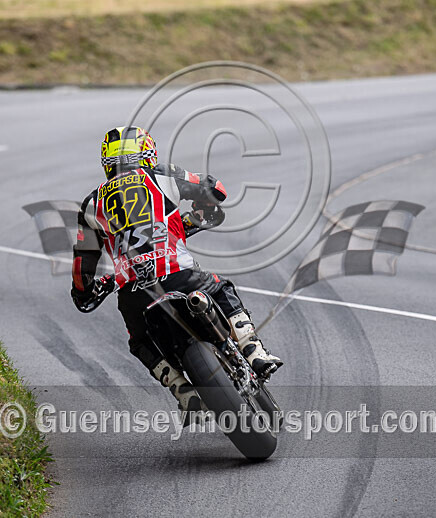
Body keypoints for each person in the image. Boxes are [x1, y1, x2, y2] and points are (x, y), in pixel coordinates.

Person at [70, 126, 282, 414]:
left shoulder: (92, 204)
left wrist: (84, 291)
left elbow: (83, 262)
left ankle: (183, 392)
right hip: (179, 276)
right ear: (147, 154)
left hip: (134, 294)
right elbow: (215, 190)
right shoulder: (161, 175)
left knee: (140, 342)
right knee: (222, 288)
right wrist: (200, 209)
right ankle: (254, 351)